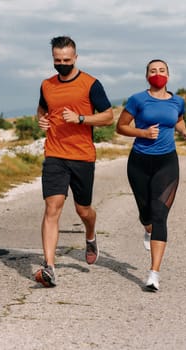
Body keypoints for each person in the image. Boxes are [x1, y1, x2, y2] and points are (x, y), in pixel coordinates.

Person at [34, 36, 114, 287]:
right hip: (55, 154)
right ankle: (50, 267)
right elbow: (42, 110)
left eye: (66, 60)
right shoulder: (47, 85)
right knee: (52, 208)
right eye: (57, 61)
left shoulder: (91, 84)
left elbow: (108, 117)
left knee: (83, 210)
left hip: (82, 156)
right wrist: (42, 120)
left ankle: (90, 234)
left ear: (76, 57)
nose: (62, 64)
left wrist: (80, 119)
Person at [116, 59, 186, 292]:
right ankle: (147, 228)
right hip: (139, 162)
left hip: (167, 163)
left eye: (161, 70)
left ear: (168, 75)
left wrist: (184, 131)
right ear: (146, 75)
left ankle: (153, 274)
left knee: (160, 215)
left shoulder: (178, 101)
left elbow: (178, 120)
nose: (157, 74)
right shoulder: (138, 99)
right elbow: (120, 127)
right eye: (153, 71)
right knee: (146, 214)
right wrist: (142, 132)